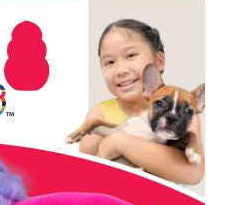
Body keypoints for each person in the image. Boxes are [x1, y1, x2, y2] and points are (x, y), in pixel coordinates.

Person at [70, 19, 203, 186]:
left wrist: (120, 143)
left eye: (131, 55)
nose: (121, 70)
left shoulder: (186, 110)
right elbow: (89, 169)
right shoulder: (100, 113)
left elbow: (192, 174)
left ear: (159, 61)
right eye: (110, 62)